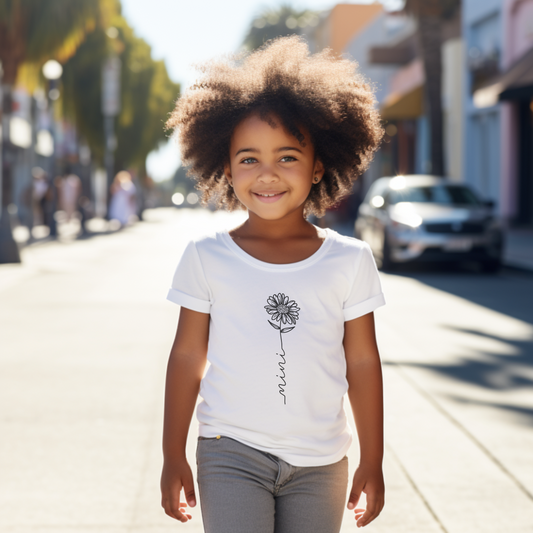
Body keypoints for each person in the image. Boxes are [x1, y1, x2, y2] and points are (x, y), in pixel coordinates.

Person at [161, 36, 385, 533]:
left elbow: (363, 362)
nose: (267, 174)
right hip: (229, 452)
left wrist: (374, 458)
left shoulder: (349, 260)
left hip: (322, 461)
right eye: (248, 159)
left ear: (318, 166)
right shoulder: (206, 256)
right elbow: (185, 358)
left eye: (287, 157)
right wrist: (171, 453)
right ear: (225, 167)